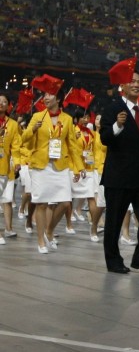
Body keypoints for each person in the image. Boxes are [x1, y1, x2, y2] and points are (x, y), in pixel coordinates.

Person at [98, 71, 139, 274]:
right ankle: (114, 261)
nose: (136, 84)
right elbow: (105, 138)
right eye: (131, 81)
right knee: (114, 222)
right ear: (121, 86)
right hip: (119, 176)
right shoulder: (113, 109)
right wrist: (118, 125)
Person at [23, 86, 84, 255]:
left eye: (50, 94)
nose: (46, 97)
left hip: (60, 166)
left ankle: (49, 231)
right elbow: (25, 139)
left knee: (65, 203)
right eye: (44, 94)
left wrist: (79, 167)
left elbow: (72, 145)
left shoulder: (67, 119)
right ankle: (41, 240)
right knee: (41, 203)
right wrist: (33, 129)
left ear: (58, 99)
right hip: (40, 166)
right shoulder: (37, 116)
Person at [0, 95, 23, 243]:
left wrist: (17, 162)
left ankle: (8, 228)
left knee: (7, 199)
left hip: (5, 167)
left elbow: (16, 146)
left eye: (4, 102)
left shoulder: (13, 124)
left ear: (9, 105)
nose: (1, 104)